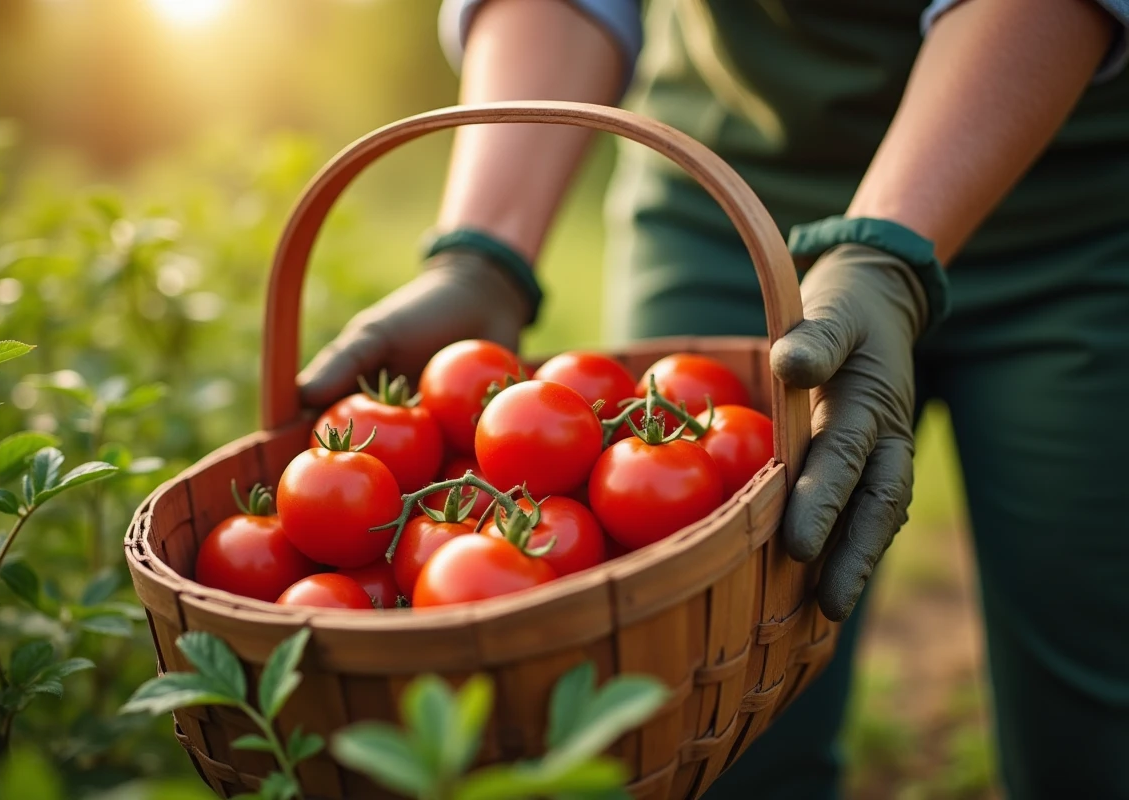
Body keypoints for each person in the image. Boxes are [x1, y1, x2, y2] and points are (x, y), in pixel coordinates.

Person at [297, 0, 1129, 797]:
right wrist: (483, 248)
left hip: (1073, 220)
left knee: (1095, 720)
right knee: (708, 728)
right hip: (730, 210)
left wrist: (886, 249)